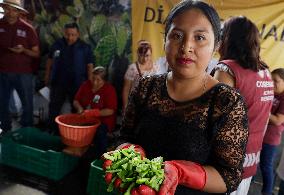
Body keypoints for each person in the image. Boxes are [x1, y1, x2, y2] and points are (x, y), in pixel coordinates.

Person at [111, 1, 249, 194]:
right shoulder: (146, 87)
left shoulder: (226, 102)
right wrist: (127, 150)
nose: (186, 47)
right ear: (165, 39)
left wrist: (181, 172)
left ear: (216, 46)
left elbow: (229, 178)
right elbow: (124, 136)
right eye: (177, 35)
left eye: (199, 37)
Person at [213, 16, 274, 195]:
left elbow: (213, 119)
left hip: (222, 164)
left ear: (228, 38)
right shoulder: (264, 70)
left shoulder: (227, 69)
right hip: (250, 160)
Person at [44, 22, 94, 133]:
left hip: (77, 84)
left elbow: (90, 65)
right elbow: (49, 60)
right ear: (64, 33)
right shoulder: (57, 44)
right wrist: (47, 75)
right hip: (58, 82)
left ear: (78, 34)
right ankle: (51, 131)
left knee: (76, 109)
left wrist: (90, 83)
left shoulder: (85, 47)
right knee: (54, 108)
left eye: (73, 35)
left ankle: (75, 132)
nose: (70, 37)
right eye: (67, 34)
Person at [0, 0, 40, 133]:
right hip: (2, 72)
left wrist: (23, 50)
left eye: (14, 10)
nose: (10, 12)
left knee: (27, 104)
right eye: (7, 9)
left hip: (23, 73)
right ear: (4, 8)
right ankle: (5, 131)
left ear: (19, 12)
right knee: (2, 104)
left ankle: (27, 132)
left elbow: (36, 53)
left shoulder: (28, 29)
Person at [260, 68, 284, 195]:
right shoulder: (270, 92)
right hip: (260, 134)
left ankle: (267, 192)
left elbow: (278, 120)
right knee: (253, 162)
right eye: (271, 80)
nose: (272, 84)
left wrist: (262, 108)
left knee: (266, 166)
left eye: (277, 81)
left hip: (270, 138)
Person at [122, 40, 158, 110]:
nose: (144, 59)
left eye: (147, 55)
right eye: (142, 55)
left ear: (151, 54)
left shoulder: (156, 67)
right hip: (136, 104)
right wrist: (125, 106)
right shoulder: (132, 68)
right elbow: (126, 89)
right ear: (138, 53)